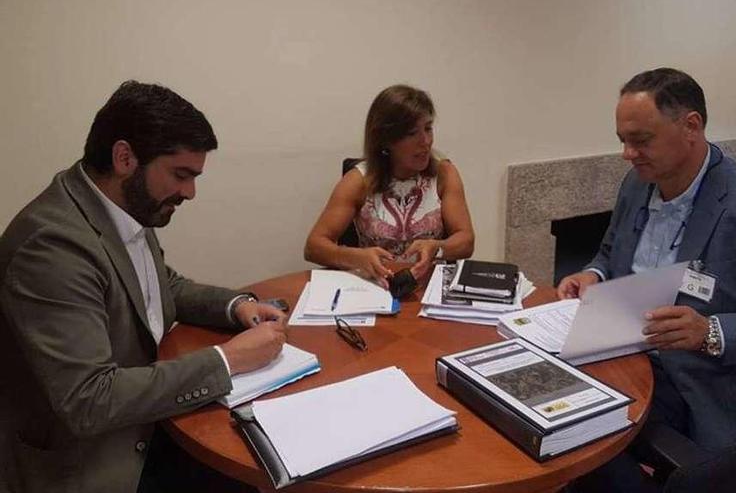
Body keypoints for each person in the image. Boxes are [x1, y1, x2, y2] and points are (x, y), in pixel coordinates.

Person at [0, 81, 288, 493]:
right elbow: (90, 400)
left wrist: (237, 306)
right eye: (181, 175)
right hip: (92, 462)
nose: (190, 192)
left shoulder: (122, 207)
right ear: (124, 158)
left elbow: (160, 285)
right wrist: (226, 360)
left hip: (148, 424)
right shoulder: (51, 248)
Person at [557, 68, 736, 490]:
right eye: (622, 141)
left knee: (578, 447)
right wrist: (593, 273)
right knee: (540, 410)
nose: (627, 155)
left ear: (691, 126)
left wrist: (711, 331)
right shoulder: (638, 184)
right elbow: (612, 251)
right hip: (625, 353)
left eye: (641, 140)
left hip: (703, 383)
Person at [304, 84, 475, 287]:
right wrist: (355, 256)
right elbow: (314, 247)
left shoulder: (444, 173)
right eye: (412, 133)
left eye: (428, 128)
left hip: (427, 288)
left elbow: (466, 241)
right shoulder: (358, 180)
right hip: (375, 288)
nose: (426, 141)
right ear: (386, 140)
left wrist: (437, 248)